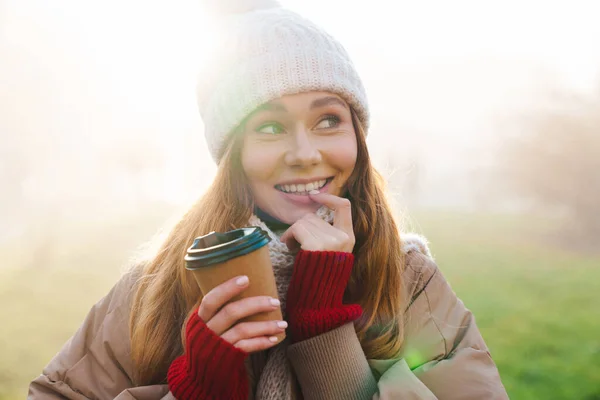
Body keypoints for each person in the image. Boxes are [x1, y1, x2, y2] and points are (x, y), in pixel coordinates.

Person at [29, 1, 508, 399]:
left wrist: (322, 328)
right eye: (270, 127)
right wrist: (200, 388)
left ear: (358, 137)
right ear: (232, 154)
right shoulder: (154, 288)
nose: (305, 154)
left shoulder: (409, 280)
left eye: (328, 120)